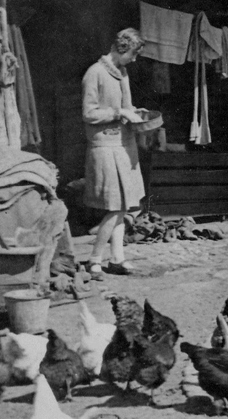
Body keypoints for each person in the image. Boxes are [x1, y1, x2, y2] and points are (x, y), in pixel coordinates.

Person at [82, 27, 147, 279]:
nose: (134, 59)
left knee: (125, 205)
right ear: (122, 49)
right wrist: (118, 114)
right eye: (133, 53)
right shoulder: (95, 73)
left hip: (124, 144)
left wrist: (135, 112)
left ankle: (117, 259)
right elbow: (88, 113)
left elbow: (126, 106)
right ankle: (94, 259)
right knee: (115, 207)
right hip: (105, 146)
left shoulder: (122, 73)